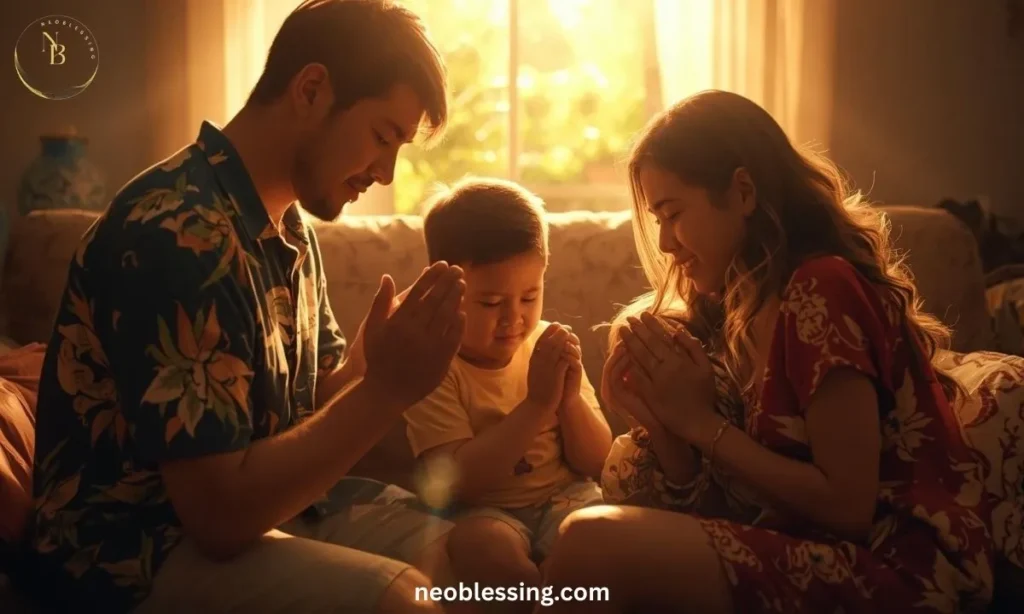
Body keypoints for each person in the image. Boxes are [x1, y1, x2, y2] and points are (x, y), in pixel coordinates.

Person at [28, 1, 473, 612]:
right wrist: (385, 392)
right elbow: (219, 514)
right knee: (403, 599)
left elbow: (303, 414)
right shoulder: (175, 232)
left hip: (258, 521)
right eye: (381, 136)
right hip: (129, 555)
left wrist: (373, 368)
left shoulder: (287, 229)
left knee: (475, 557)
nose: (387, 173)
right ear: (311, 89)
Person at [537, 90, 996, 613]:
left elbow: (847, 507)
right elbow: (736, 515)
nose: (664, 243)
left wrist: (700, 425)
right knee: (591, 549)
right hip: (809, 548)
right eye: (656, 220)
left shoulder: (821, 288)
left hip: (896, 567)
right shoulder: (735, 312)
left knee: (592, 540)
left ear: (743, 192)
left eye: (672, 213)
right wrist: (667, 429)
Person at [404, 178, 612, 609]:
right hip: (486, 510)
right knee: (480, 548)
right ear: (447, 289)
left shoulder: (545, 347)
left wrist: (569, 401)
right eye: (490, 302)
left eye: (530, 296)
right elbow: (459, 482)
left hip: (565, 495)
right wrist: (538, 405)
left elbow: (597, 462)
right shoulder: (432, 366)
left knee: (601, 536)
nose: (514, 319)